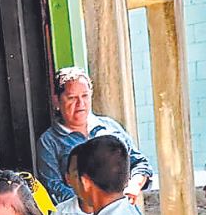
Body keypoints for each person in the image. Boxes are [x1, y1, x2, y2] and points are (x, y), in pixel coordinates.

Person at [36, 66, 153, 205]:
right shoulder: (49, 142)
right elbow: (54, 190)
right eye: (72, 98)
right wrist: (100, 202)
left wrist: (134, 185)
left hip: (124, 210)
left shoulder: (110, 127)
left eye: (85, 96)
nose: (81, 104)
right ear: (56, 100)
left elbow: (140, 163)